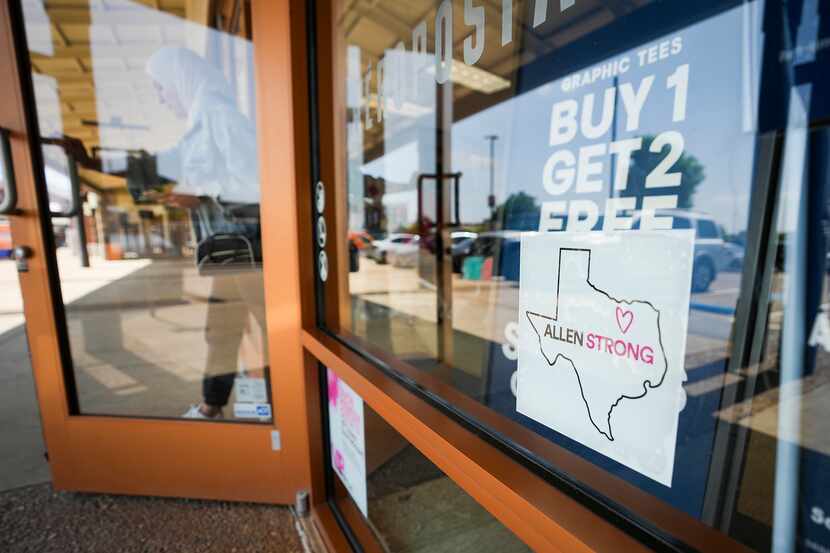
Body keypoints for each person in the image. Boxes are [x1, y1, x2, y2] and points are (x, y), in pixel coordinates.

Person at [144, 46, 268, 419]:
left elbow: (257, 187)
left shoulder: (220, 116)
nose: (161, 98)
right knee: (222, 331)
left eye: (161, 88)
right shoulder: (202, 121)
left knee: (269, 333)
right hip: (230, 254)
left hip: (248, 251)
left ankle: (287, 414)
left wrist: (200, 195)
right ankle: (212, 404)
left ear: (180, 79)